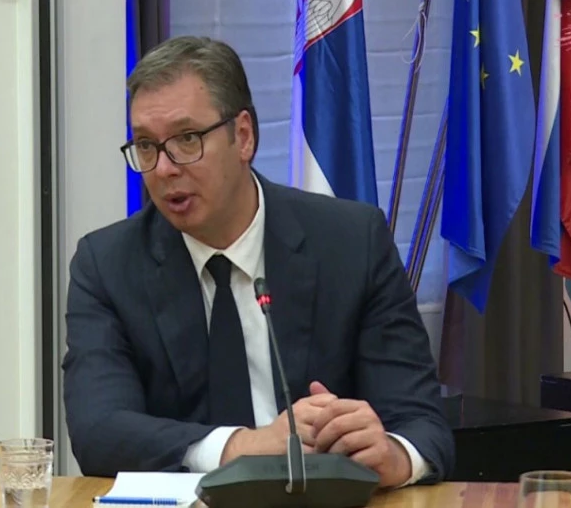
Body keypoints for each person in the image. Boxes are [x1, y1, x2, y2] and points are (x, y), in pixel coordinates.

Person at [62, 35, 454, 488]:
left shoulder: (352, 243)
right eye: (146, 145)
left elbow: (424, 426)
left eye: (187, 139)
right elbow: (99, 432)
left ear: (243, 136)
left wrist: (394, 455)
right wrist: (242, 447)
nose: (165, 167)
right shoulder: (107, 266)